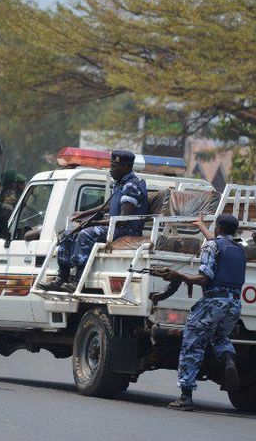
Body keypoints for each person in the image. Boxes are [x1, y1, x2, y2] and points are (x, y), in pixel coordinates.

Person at [153, 214, 244, 411]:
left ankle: (185, 396)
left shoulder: (211, 247)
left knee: (192, 344)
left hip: (213, 302)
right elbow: (216, 242)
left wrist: (180, 275)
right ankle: (228, 359)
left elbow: (204, 278)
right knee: (220, 336)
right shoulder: (238, 249)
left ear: (218, 228)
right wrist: (201, 226)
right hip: (234, 304)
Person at [39, 150, 148, 292]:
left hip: (126, 230)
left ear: (126, 167)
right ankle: (62, 278)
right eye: (111, 165)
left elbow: (122, 220)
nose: (111, 170)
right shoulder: (121, 183)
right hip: (116, 227)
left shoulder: (131, 186)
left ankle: (77, 281)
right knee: (68, 233)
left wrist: (92, 223)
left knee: (86, 234)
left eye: (115, 167)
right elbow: (109, 206)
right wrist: (85, 214)